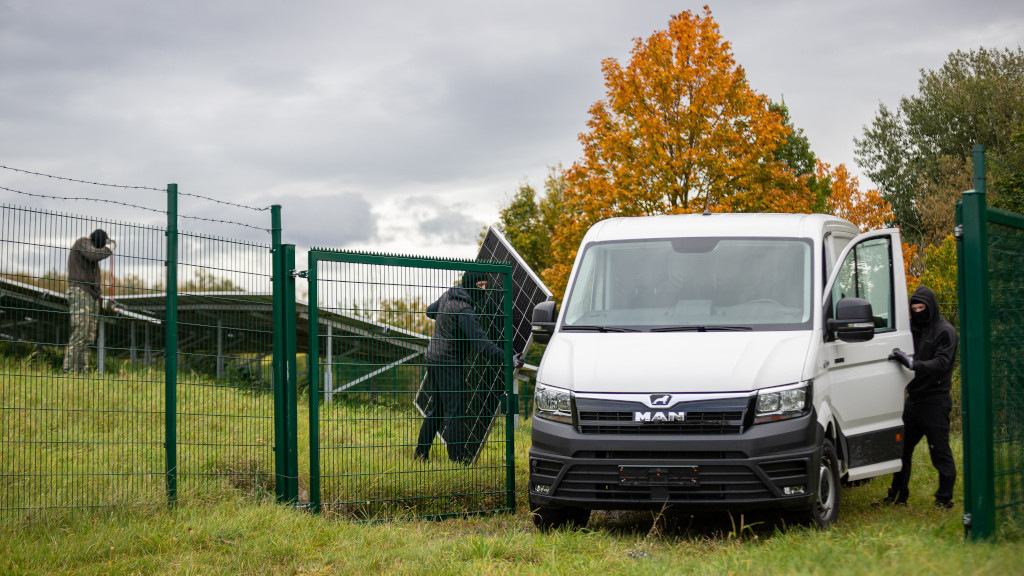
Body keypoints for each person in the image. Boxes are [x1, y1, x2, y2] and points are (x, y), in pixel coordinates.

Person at [414, 271, 511, 464]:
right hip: (448, 361)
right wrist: (508, 357)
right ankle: (457, 461)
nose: (483, 290)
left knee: (438, 409)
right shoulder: (465, 310)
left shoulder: (449, 295)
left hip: (433, 357)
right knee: (455, 412)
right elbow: (481, 344)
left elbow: (430, 311)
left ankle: (420, 455)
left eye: (485, 285)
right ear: (471, 284)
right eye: (481, 285)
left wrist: (446, 319)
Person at [885, 285, 959, 509]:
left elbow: (942, 364)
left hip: (935, 402)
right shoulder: (913, 329)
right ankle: (897, 495)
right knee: (901, 451)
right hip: (914, 400)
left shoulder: (945, 331)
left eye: (922, 307)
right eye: (914, 307)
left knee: (940, 452)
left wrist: (913, 364)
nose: (918, 311)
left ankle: (944, 500)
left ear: (932, 307)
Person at [63, 229, 114, 373]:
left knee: (88, 337)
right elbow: (94, 255)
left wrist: (100, 297)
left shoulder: (92, 255)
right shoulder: (82, 242)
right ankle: (69, 371)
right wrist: (109, 248)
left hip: (92, 295)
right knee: (80, 332)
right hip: (80, 292)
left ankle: (82, 372)